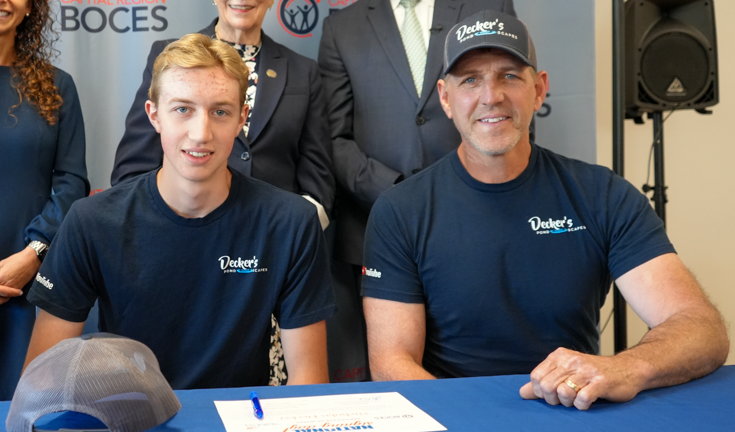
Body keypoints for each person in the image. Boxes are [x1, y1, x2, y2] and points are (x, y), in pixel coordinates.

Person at [361, 10, 729, 410]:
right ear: (446, 99)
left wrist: (626, 367)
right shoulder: (400, 210)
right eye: (470, 80)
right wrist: (474, 425)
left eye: (509, 76)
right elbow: (391, 363)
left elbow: (701, 328)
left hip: (574, 412)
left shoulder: (603, 195)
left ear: (539, 90)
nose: (491, 96)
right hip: (454, 420)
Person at [23, 34, 335, 389]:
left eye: (220, 112)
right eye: (182, 109)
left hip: (243, 429)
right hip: (131, 424)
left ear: (241, 120)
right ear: (154, 115)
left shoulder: (290, 223)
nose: (201, 133)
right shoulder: (91, 221)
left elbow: (308, 383)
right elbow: (41, 384)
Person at [113, 0, 335, 385]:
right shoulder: (170, 56)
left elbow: (317, 178)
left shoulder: (304, 71)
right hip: (179, 259)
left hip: (268, 266)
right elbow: (133, 169)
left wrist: (285, 243)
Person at [318, 0, 515, 377]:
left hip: (481, 219)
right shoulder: (342, 27)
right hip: (377, 223)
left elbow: (509, 116)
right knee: (392, 374)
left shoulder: (489, 7)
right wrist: (399, 195)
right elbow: (333, 137)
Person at [0, 0, 88, 400]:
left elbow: (72, 183)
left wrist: (32, 254)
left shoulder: (56, 84)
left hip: (29, 283)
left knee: (26, 412)